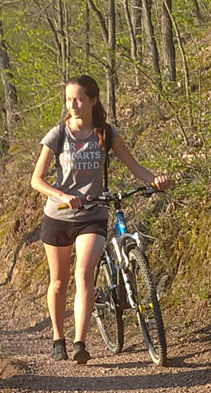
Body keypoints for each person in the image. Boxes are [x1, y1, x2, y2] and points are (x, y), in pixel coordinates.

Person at [30, 74, 170, 364]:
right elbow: (37, 180)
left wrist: (155, 180)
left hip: (92, 214)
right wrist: (62, 196)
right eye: (69, 99)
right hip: (58, 215)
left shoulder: (105, 133)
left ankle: (80, 342)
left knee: (83, 273)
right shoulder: (58, 134)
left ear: (93, 100)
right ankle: (59, 339)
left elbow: (135, 167)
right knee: (59, 281)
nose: (73, 104)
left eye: (79, 98)